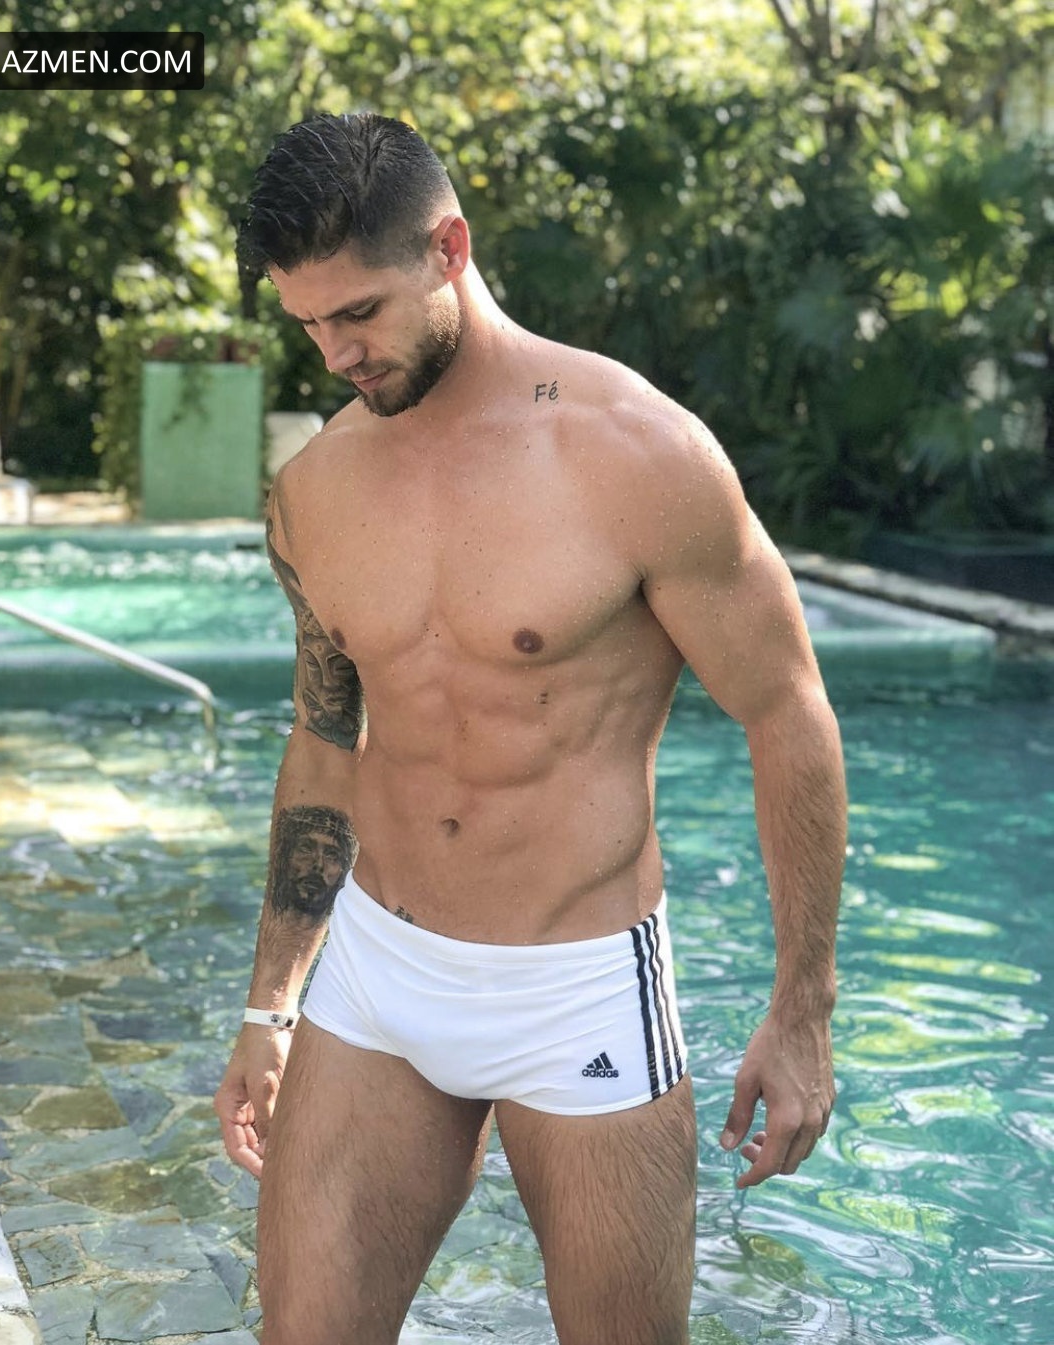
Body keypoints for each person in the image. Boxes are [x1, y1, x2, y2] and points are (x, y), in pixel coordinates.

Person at [214, 111, 846, 1345]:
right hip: (380, 976)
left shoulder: (637, 453)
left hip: (580, 991)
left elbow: (787, 712)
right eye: (309, 325)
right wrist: (269, 1003)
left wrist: (803, 1010)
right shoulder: (316, 490)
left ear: (449, 249)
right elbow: (326, 742)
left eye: (360, 314)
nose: (336, 354)